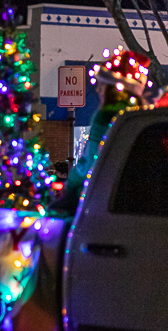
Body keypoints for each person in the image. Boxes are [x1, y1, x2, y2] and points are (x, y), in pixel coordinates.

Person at [53, 47, 151, 213]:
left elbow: (90, 163)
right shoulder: (140, 115)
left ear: (112, 89)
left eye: (102, 85)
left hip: (98, 199)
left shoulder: (105, 115)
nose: (98, 90)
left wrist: (70, 185)